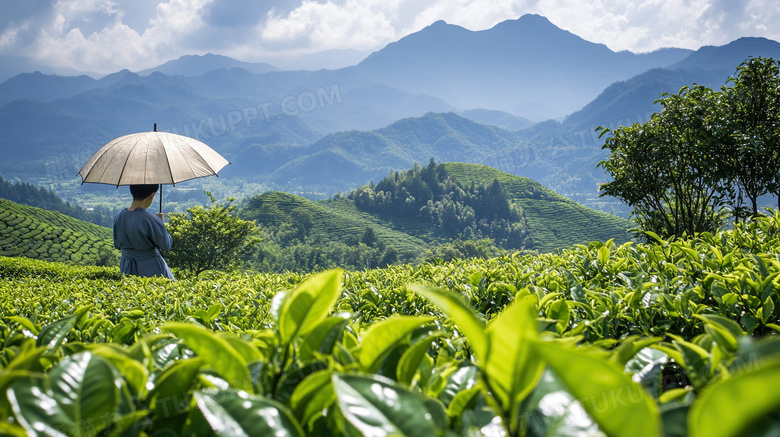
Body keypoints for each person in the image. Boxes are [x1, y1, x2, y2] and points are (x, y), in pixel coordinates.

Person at [113, 184, 174, 279]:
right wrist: (161, 226)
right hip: (151, 268)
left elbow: (117, 245)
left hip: (126, 267)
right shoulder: (150, 220)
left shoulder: (118, 216)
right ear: (152, 195)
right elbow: (166, 245)